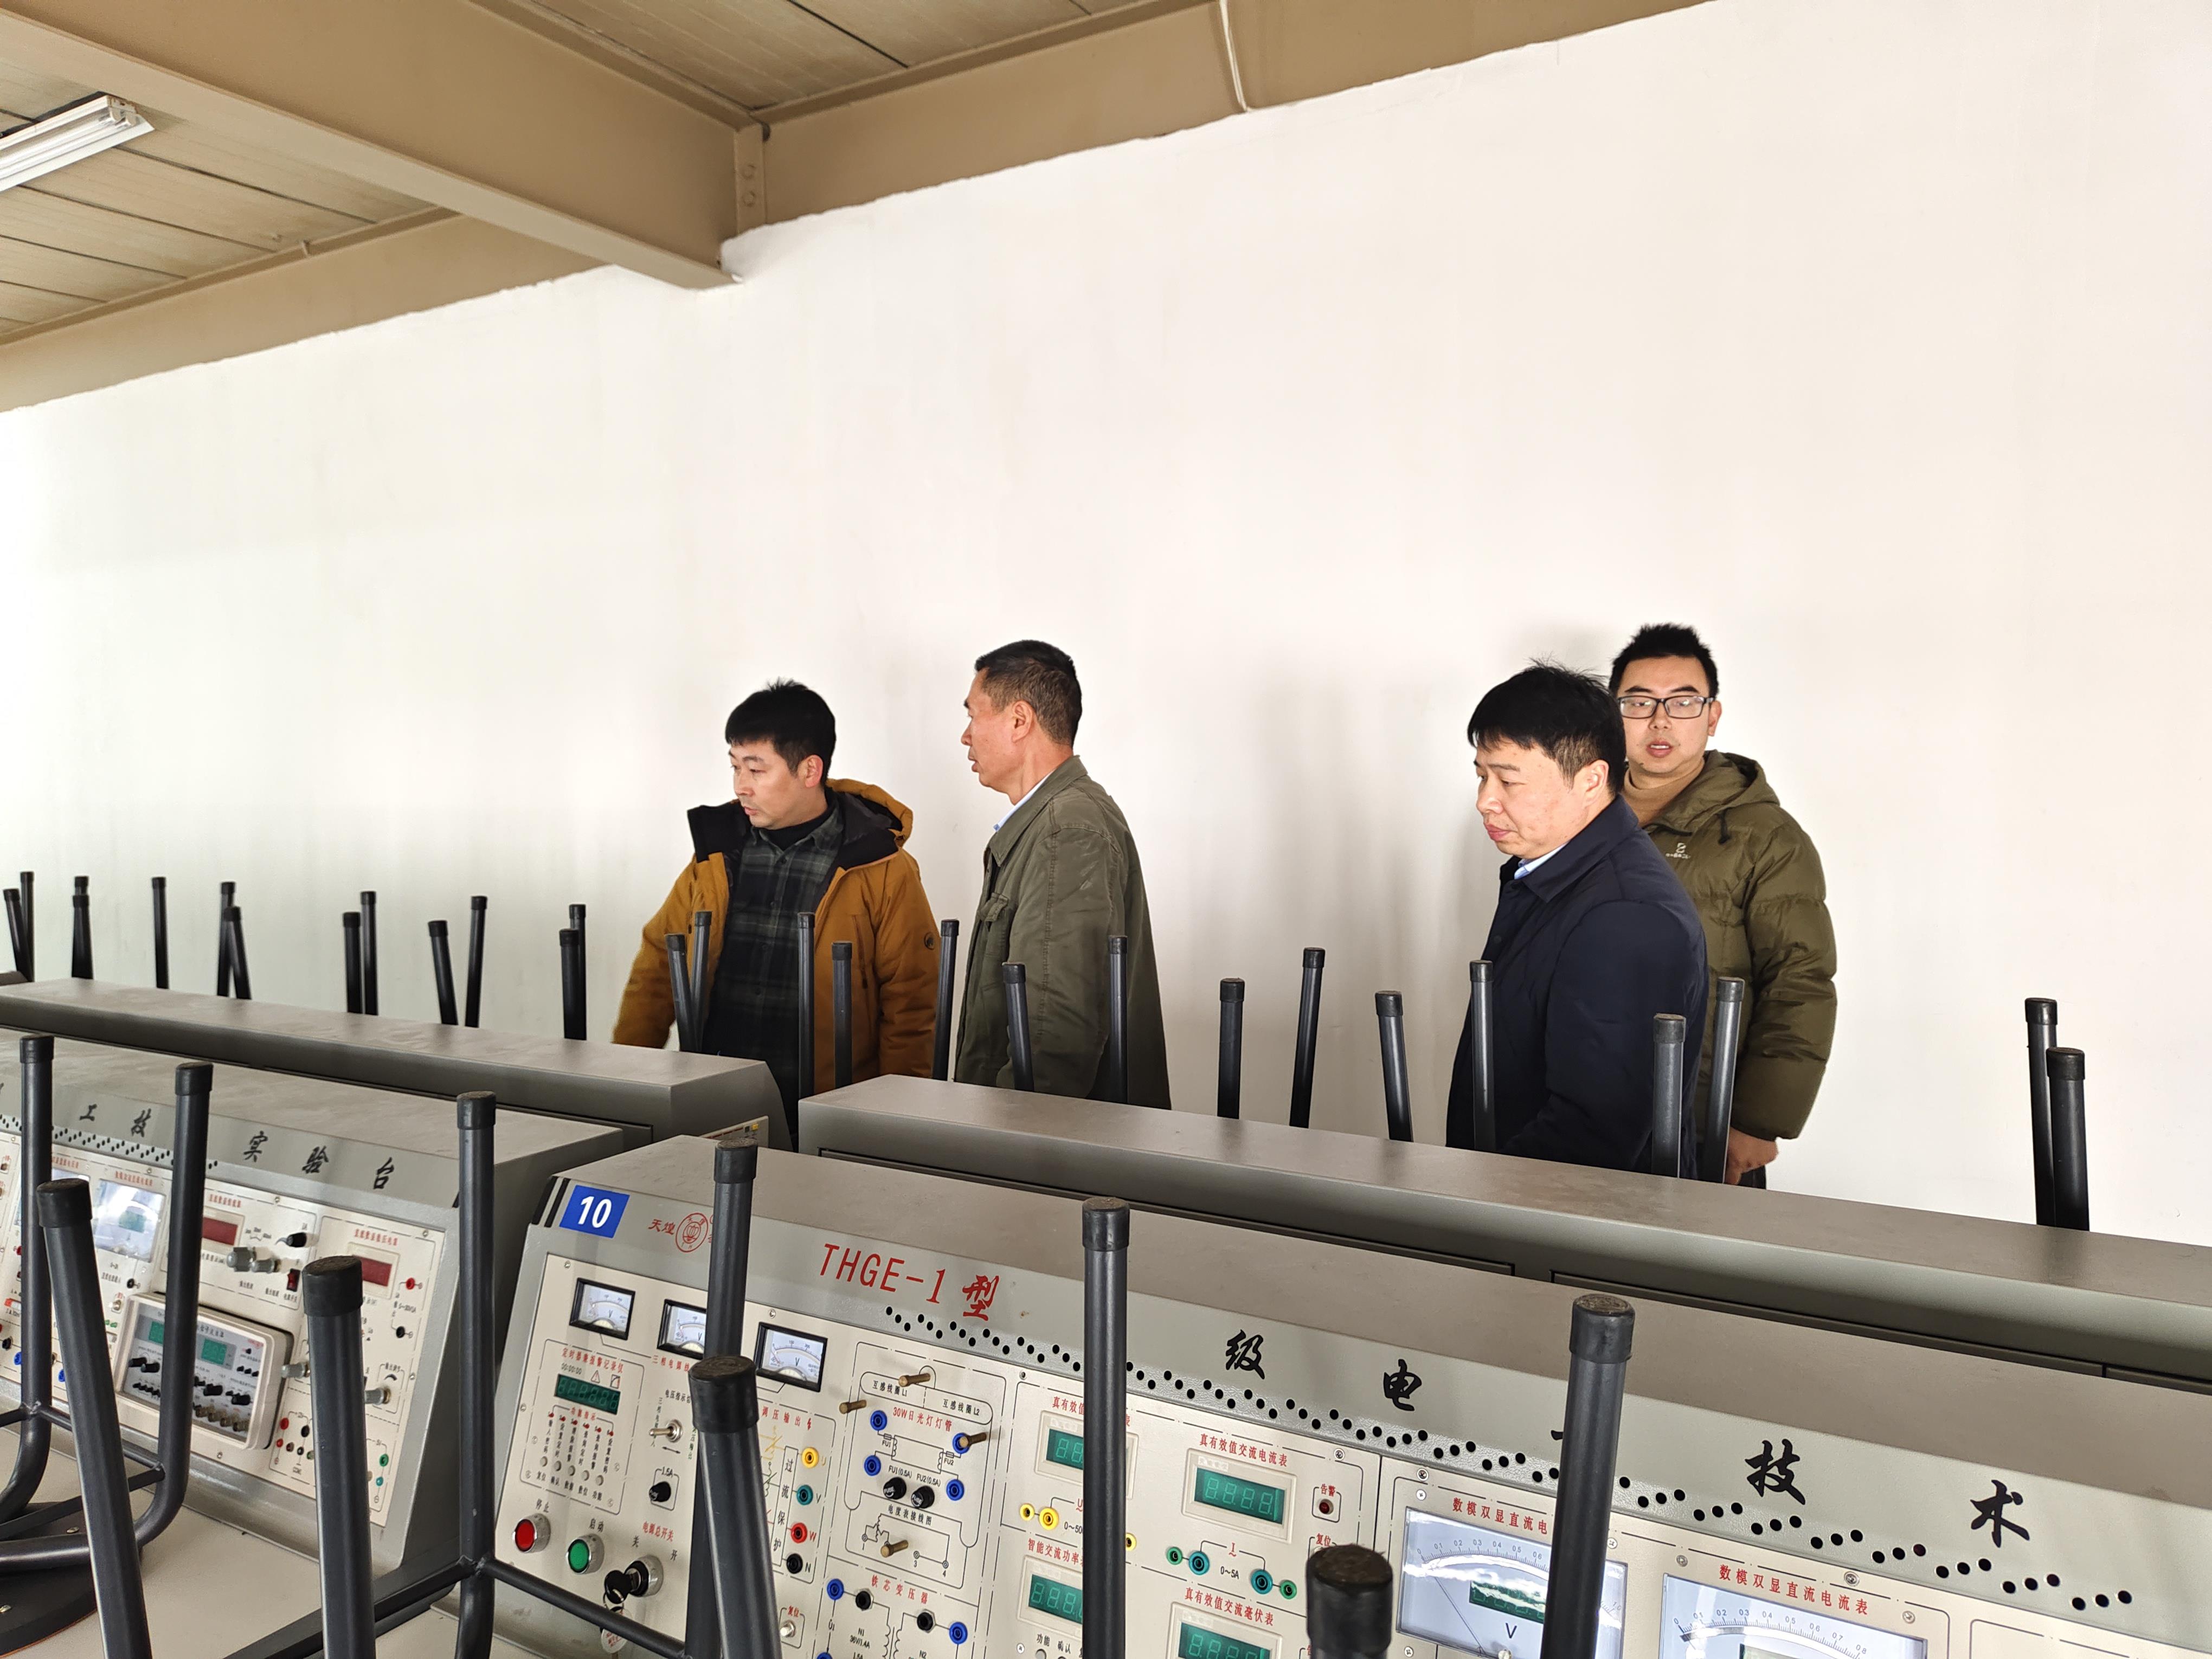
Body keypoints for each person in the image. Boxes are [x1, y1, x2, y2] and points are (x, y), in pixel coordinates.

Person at [613, 680, 941, 1127]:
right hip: (715, 1104)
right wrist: (625, 1085)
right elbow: (658, 965)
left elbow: (911, 1004)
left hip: (827, 1115)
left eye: (756, 770)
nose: (740, 787)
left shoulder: (879, 865)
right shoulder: (718, 855)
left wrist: (891, 1126)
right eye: (735, 768)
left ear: (809, 770)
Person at [1445, 662, 1708, 1172]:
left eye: (1508, 780)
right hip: (1518, 1205)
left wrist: (1473, 1197)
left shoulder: (1625, 916)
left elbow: (1592, 1135)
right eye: (1482, 776)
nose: (1484, 802)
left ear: (1592, 779)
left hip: (1564, 1217)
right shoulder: (1551, 872)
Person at [1610, 623, 1836, 1186]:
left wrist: (1759, 1121)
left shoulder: (1766, 836)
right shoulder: (1578, 817)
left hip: (1704, 1122)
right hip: (1588, 1109)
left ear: (1712, 716)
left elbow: (1801, 979)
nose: (1660, 720)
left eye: (1683, 702)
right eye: (1639, 702)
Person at [953, 640, 1171, 1107]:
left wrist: (993, 1143)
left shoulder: (1065, 831)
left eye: (973, 715)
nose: (966, 736)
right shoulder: (1053, 822)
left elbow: (1053, 1047)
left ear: (1019, 720)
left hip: (1041, 1145)